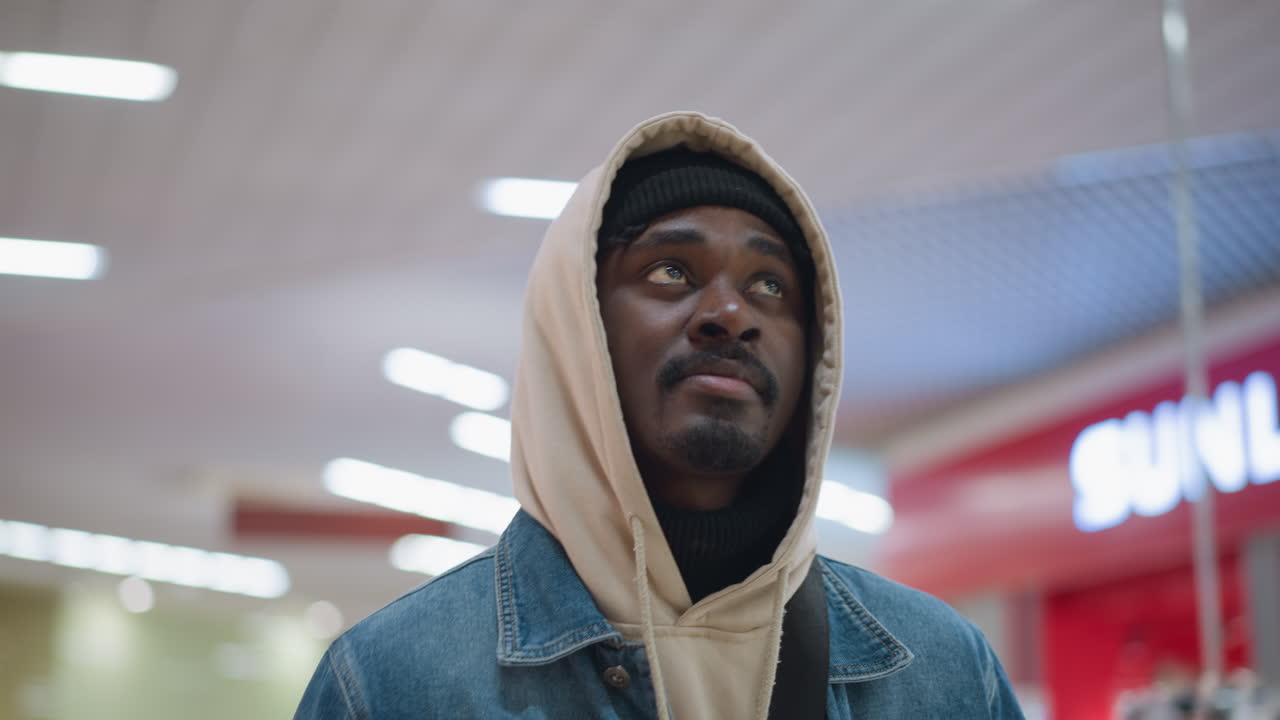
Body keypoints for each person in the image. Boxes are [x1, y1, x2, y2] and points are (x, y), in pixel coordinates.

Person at [294, 111, 1025, 719]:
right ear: (581, 326)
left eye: (771, 285)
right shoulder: (395, 684)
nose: (730, 315)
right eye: (670, 270)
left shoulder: (943, 675)